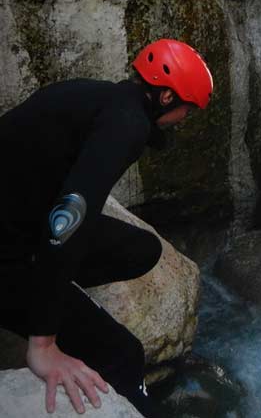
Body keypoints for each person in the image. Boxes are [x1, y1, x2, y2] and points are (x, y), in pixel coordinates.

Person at [0, 39, 213, 417]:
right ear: (166, 97)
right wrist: (43, 344)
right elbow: (68, 220)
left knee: (142, 249)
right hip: (10, 247)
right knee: (123, 354)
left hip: (20, 219)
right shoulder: (126, 125)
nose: (185, 118)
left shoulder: (99, 98)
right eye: (187, 109)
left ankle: (42, 279)